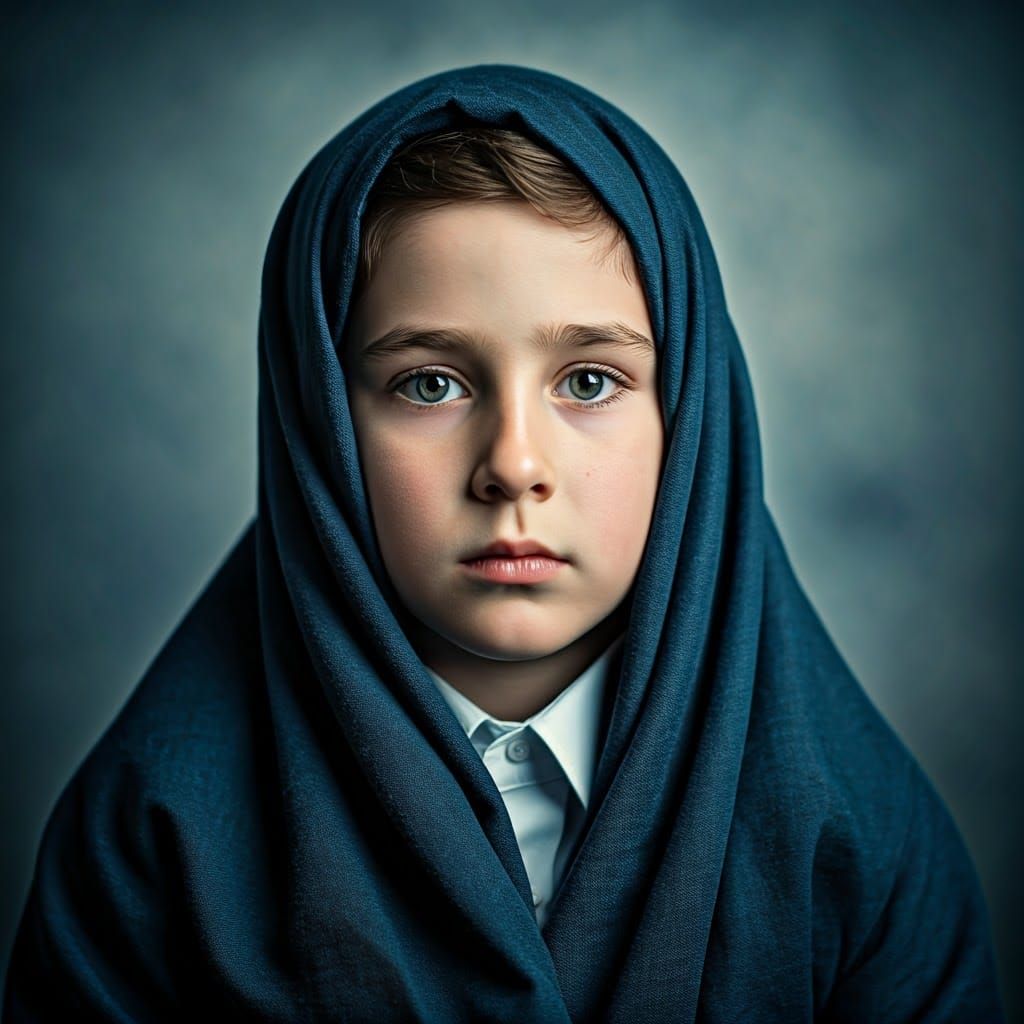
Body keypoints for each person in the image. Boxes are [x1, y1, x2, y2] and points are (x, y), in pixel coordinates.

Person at [2, 64, 1004, 1022]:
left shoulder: (857, 842)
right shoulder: (155, 841)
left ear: (690, 417)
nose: (513, 464)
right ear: (317, 422)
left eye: (589, 381)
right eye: (429, 382)